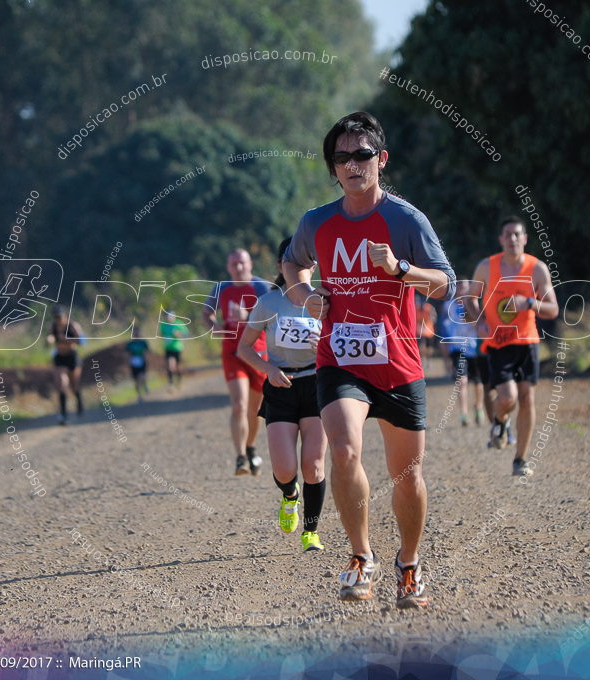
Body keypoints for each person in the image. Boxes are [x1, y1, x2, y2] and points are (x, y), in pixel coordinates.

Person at [284, 111, 456, 608]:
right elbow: (293, 261)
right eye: (342, 157)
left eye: (362, 155)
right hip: (340, 358)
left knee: (408, 476)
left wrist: (400, 268)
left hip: (399, 362)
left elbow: (445, 283)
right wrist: (302, 293)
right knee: (343, 451)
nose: (353, 164)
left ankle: (409, 562)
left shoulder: (406, 220)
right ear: (333, 168)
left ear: (380, 160)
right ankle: (361, 557)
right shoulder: (316, 222)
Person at [237, 237, 328, 552]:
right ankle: (290, 495)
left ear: (313, 267)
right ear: (281, 267)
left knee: (314, 465)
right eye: (293, 264)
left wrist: (330, 356)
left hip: (317, 385)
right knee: (285, 469)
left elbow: (345, 342)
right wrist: (268, 369)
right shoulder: (269, 303)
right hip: (280, 386)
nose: (301, 269)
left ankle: (311, 531)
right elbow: (244, 348)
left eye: (307, 263)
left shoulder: (325, 301)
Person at [466, 217, 559, 476]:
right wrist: (480, 322)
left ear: (525, 238)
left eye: (518, 234)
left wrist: (529, 303)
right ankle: (499, 421)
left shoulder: (537, 269)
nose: (513, 239)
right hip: (498, 343)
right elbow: (470, 299)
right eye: (508, 235)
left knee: (527, 399)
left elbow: (553, 309)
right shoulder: (487, 267)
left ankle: (520, 460)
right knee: (508, 398)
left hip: (527, 342)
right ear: (501, 239)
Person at [203, 249, 272, 476]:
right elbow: (207, 313)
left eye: (241, 263)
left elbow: (276, 316)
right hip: (233, 354)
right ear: (228, 267)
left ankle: (251, 447)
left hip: (258, 354)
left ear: (250, 264)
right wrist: (214, 326)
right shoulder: (221, 288)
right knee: (239, 405)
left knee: (255, 409)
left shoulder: (262, 287)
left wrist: (250, 316)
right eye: (234, 264)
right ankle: (240, 457)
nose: (238, 268)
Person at [438, 298, 483, 426]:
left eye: (465, 287)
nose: (462, 290)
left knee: (477, 382)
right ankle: (464, 414)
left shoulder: (473, 303)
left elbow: (480, 320)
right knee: (461, 380)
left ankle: (478, 406)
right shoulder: (448, 304)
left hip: (474, 347)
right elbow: (443, 322)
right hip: (458, 348)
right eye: (460, 286)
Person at [46, 305, 85, 425]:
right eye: (55, 317)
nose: (57, 320)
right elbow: (51, 337)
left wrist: (66, 339)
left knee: (74, 386)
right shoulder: (53, 327)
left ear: (64, 316)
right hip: (59, 358)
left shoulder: (73, 326)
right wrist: (49, 340)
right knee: (62, 385)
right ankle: (63, 414)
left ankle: (79, 401)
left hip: (72, 357)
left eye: (59, 317)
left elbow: (82, 341)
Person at [159, 311, 189, 389]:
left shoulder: (179, 324)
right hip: (168, 348)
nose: (169, 318)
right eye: (168, 317)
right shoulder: (164, 324)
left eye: (171, 317)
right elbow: (161, 334)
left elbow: (186, 335)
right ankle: (171, 383)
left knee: (178, 366)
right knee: (170, 366)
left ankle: (179, 381)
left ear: (174, 317)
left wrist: (178, 334)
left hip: (177, 348)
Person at [126, 326, 150, 402]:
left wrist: (145, 354)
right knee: (136, 381)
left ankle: (144, 385)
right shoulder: (130, 343)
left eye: (137, 332)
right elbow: (126, 353)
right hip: (133, 363)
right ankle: (139, 396)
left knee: (141, 377)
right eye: (134, 332)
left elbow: (148, 352)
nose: (136, 334)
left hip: (142, 362)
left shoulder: (143, 342)